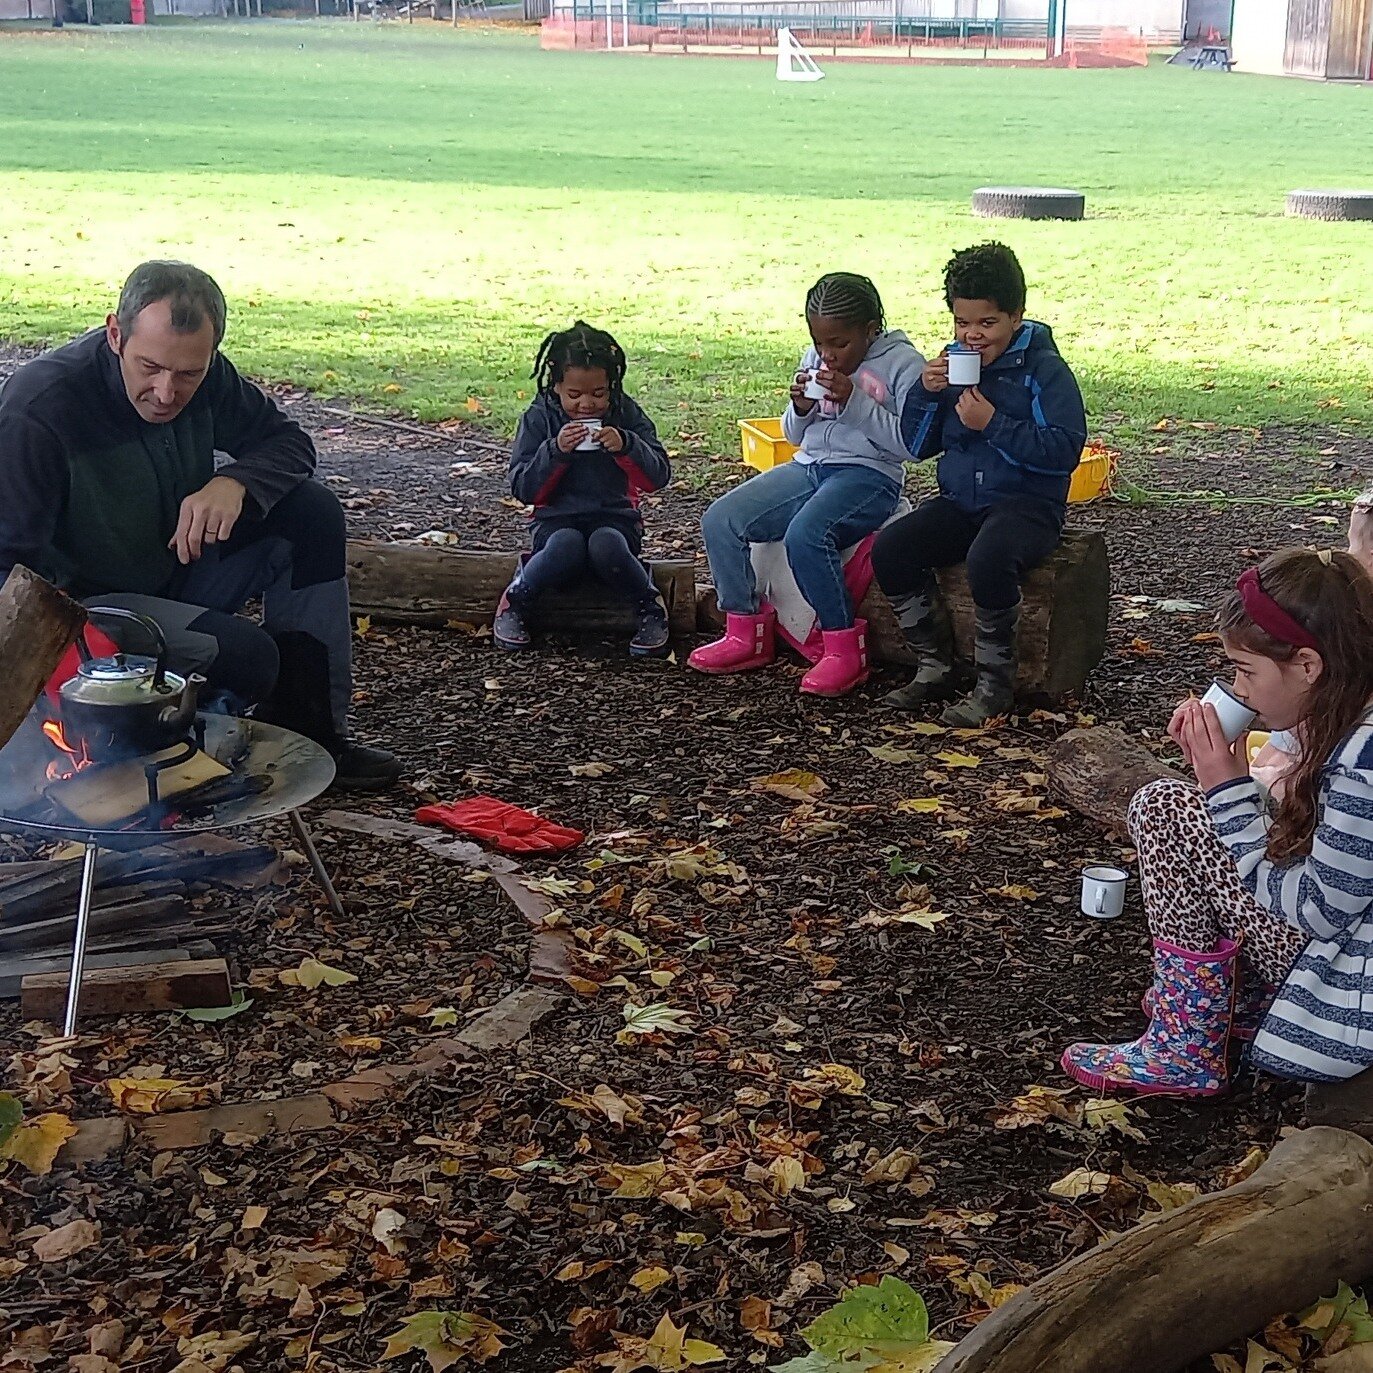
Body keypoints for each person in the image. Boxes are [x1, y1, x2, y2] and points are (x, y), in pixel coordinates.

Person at [0, 260, 401, 790]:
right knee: (249, 659)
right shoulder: (40, 410)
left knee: (311, 513)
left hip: (174, 561)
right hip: (90, 611)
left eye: (188, 373)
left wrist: (233, 482)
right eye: (150, 368)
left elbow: (290, 444)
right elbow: (8, 569)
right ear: (115, 334)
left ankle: (314, 732)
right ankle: (160, 756)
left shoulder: (207, 377)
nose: (167, 391)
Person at [1062, 548, 1373, 1095]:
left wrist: (1226, 790)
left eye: (1245, 671)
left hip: (1345, 972)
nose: (1239, 688)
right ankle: (1238, 1001)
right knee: (1172, 807)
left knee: (1164, 810)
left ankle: (1185, 1046)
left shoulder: (1361, 764)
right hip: (1345, 935)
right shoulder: (1344, 711)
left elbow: (1318, 909)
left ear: (1308, 665)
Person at [871, 243, 1087, 726]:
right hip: (962, 501)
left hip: (1028, 506)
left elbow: (1063, 452)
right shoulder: (953, 363)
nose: (972, 335)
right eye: (961, 323)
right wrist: (925, 395)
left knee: (988, 558)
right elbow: (918, 444)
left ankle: (995, 682)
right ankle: (935, 664)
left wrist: (992, 423)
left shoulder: (1044, 372)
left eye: (986, 324)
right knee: (893, 548)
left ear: (1016, 316)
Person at [688, 273, 923, 697]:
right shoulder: (814, 358)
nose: (827, 356)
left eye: (840, 344)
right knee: (722, 519)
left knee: (808, 534)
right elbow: (794, 434)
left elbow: (909, 444)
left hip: (870, 476)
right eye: (819, 343)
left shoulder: (905, 366)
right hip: (810, 467)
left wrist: (855, 403)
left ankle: (842, 647)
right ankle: (744, 630)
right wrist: (799, 407)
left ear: (872, 329)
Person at [495, 322, 672, 657]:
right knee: (567, 544)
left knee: (605, 543)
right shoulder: (539, 417)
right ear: (557, 384)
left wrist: (626, 445)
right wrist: (556, 450)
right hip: (555, 523)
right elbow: (523, 487)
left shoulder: (624, 413)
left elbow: (658, 475)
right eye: (574, 395)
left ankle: (649, 605)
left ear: (612, 385)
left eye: (599, 394)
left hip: (615, 520)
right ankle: (517, 600)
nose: (587, 405)